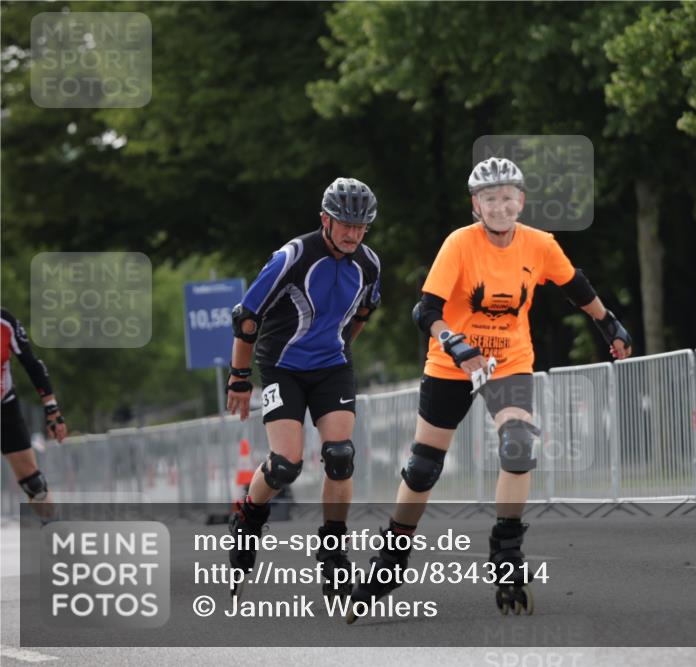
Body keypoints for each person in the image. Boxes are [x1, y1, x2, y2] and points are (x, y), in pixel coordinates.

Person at [347, 157, 632, 620]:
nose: (499, 206)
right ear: (476, 205)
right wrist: (454, 341)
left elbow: (575, 286)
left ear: (520, 201)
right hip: (452, 363)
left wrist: (609, 324)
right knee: (423, 467)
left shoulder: (540, 244)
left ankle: (507, 553)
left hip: (509, 362)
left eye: (507, 197)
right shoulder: (460, 244)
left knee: (519, 445)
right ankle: (392, 558)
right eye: (489, 199)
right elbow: (426, 310)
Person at [225, 177, 381, 600]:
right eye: (345, 224)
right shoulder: (293, 256)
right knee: (285, 465)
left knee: (340, 456)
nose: (352, 234)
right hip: (283, 367)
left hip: (333, 367)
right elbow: (246, 319)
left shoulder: (369, 263)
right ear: (325, 220)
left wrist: (339, 347)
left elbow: (362, 314)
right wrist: (239, 377)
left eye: (361, 226)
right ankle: (248, 518)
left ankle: (333, 551)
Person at [1, 308, 67, 521]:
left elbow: (32, 364)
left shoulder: (5, 322)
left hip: (4, 408)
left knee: (34, 484)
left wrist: (52, 410)